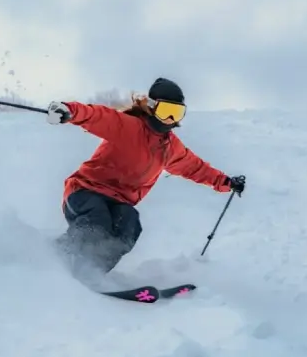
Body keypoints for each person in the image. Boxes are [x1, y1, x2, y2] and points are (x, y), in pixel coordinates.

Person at [47, 78, 246, 282]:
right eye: (165, 110)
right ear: (151, 107)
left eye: (176, 113)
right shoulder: (129, 127)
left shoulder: (170, 147)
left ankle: (91, 271)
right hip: (86, 191)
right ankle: (58, 258)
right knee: (98, 221)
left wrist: (225, 182)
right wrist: (69, 111)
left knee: (130, 226)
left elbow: (194, 167)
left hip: (121, 202)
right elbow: (98, 116)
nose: (169, 119)